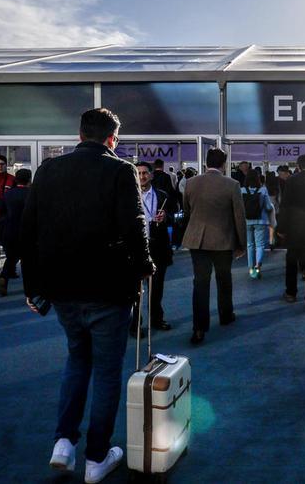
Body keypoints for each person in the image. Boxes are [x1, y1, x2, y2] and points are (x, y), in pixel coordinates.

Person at [19, 108, 152, 482]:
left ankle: (63, 442)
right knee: (108, 372)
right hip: (108, 288)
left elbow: (27, 231)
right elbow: (134, 225)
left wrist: (33, 287)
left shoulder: (47, 170)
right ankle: (96, 457)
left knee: (77, 360)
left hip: (62, 288)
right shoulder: (120, 170)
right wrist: (144, 264)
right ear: (112, 139)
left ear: (79, 135)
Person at [182, 147, 247, 346]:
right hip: (223, 241)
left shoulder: (191, 183)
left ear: (206, 163)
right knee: (224, 279)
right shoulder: (232, 185)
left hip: (197, 241)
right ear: (223, 164)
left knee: (200, 283)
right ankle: (226, 315)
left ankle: (199, 328)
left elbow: (186, 211)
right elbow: (239, 217)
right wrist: (241, 244)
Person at [132, 162, 174, 332]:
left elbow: (174, 216)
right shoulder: (128, 196)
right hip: (136, 248)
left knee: (156, 288)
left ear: (151, 175)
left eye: (145, 173)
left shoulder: (163, 195)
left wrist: (166, 217)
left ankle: (157, 319)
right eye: (139, 173)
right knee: (135, 290)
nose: (142, 176)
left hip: (159, 247)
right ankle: (135, 324)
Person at [276, 154, 305, 307]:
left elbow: (285, 205)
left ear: (299, 165)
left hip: (294, 226)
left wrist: (281, 228)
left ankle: (291, 293)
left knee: (291, 260)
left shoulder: (291, 180)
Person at [0, 168, 31, 297]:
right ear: (29, 179)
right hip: (26, 231)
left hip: (10, 230)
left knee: (11, 258)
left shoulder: (8, 194)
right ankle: (29, 289)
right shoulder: (31, 193)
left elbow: (2, 210)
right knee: (28, 260)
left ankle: (4, 277)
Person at [240, 171, 274, 279]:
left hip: (247, 220)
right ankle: (257, 266)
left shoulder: (242, 190)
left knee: (250, 245)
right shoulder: (263, 190)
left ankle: (250, 268)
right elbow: (268, 207)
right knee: (260, 245)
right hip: (260, 220)